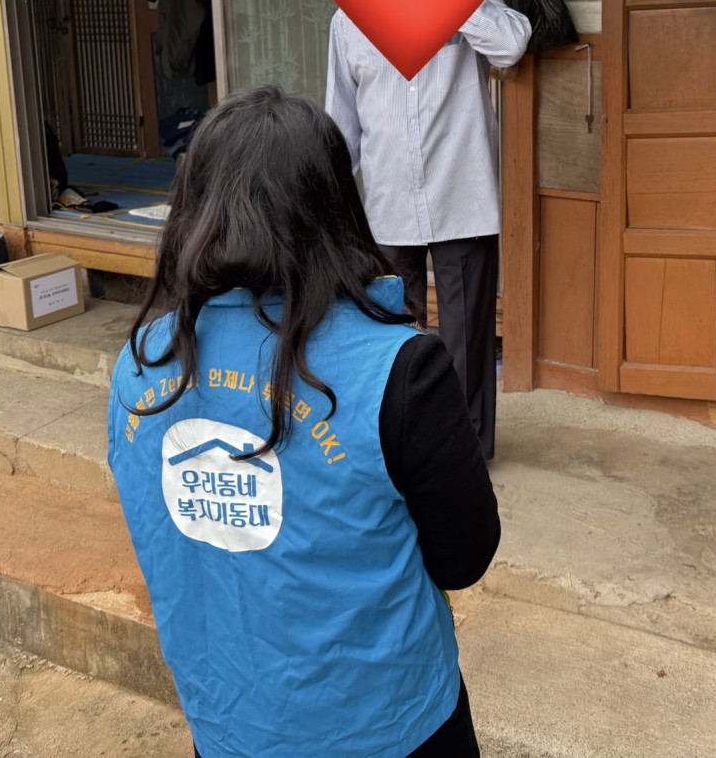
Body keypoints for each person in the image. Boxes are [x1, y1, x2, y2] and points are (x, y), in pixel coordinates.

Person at [107, 85, 500, 758]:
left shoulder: (141, 366)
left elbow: (174, 544)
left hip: (228, 730)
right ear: (336, 208)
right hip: (394, 731)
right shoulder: (400, 370)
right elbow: (464, 557)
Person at [325, 0, 531, 462]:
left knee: (467, 341)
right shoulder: (348, 19)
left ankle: (465, 456)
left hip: (461, 196)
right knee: (390, 335)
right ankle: (400, 447)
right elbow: (341, 122)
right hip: (387, 203)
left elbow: (512, 45)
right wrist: (331, 207)